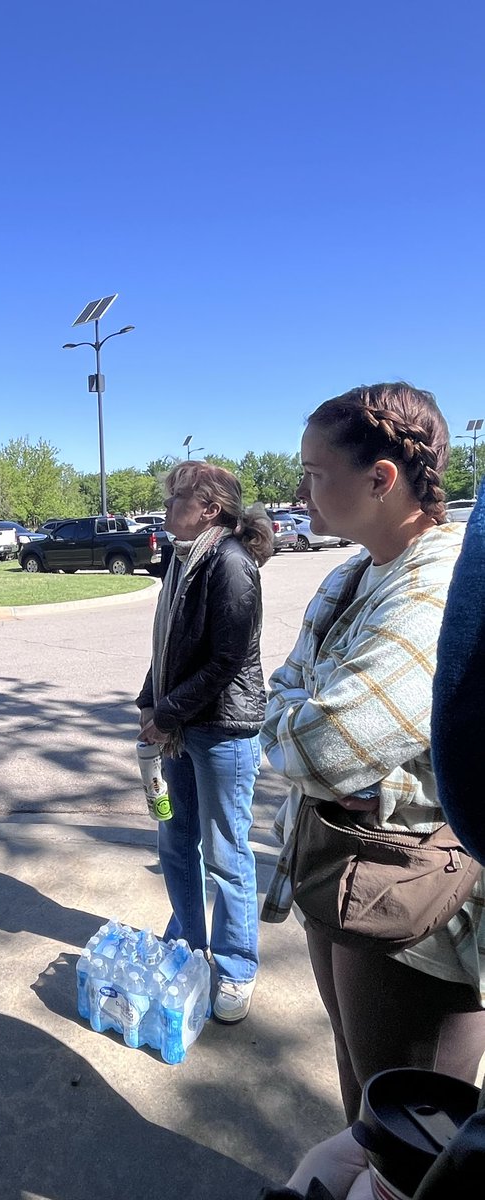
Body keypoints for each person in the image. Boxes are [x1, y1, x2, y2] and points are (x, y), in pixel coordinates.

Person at [261, 383, 485, 1123]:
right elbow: (285, 697)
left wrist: (336, 753)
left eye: (316, 472)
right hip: (342, 868)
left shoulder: (438, 585)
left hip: (416, 908)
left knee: (404, 1125)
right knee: (359, 1088)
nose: (301, 491)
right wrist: (309, 727)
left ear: (380, 478)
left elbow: (322, 748)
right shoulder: (353, 571)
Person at [136, 460, 273, 1023]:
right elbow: (168, 646)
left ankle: (237, 967)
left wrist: (167, 714)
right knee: (174, 842)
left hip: (223, 731)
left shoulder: (231, 564)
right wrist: (150, 699)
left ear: (209, 509)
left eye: (176, 500)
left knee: (226, 854)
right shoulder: (183, 556)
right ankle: (188, 942)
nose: (167, 509)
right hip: (181, 727)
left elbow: (225, 661)